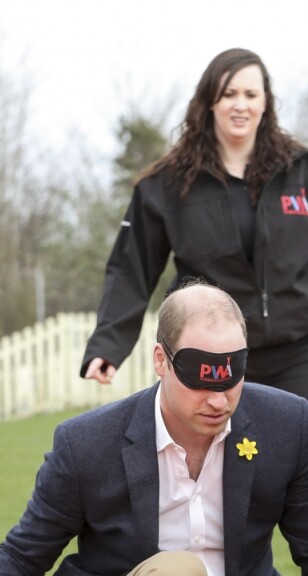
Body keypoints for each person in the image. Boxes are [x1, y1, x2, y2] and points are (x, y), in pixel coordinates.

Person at [0, 282, 308, 576]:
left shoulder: (288, 425)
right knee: (178, 572)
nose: (218, 401)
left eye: (231, 377)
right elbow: (21, 558)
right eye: (199, 379)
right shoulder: (86, 444)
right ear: (160, 360)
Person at [81, 48, 308, 398]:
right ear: (210, 102)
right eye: (228, 94)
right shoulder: (168, 185)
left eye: (250, 94)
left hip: (298, 354)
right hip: (212, 357)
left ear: (266, 102)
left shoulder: (300, 171)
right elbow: (131, 268)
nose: (240, 104)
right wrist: (108, 344)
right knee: (225, 454)